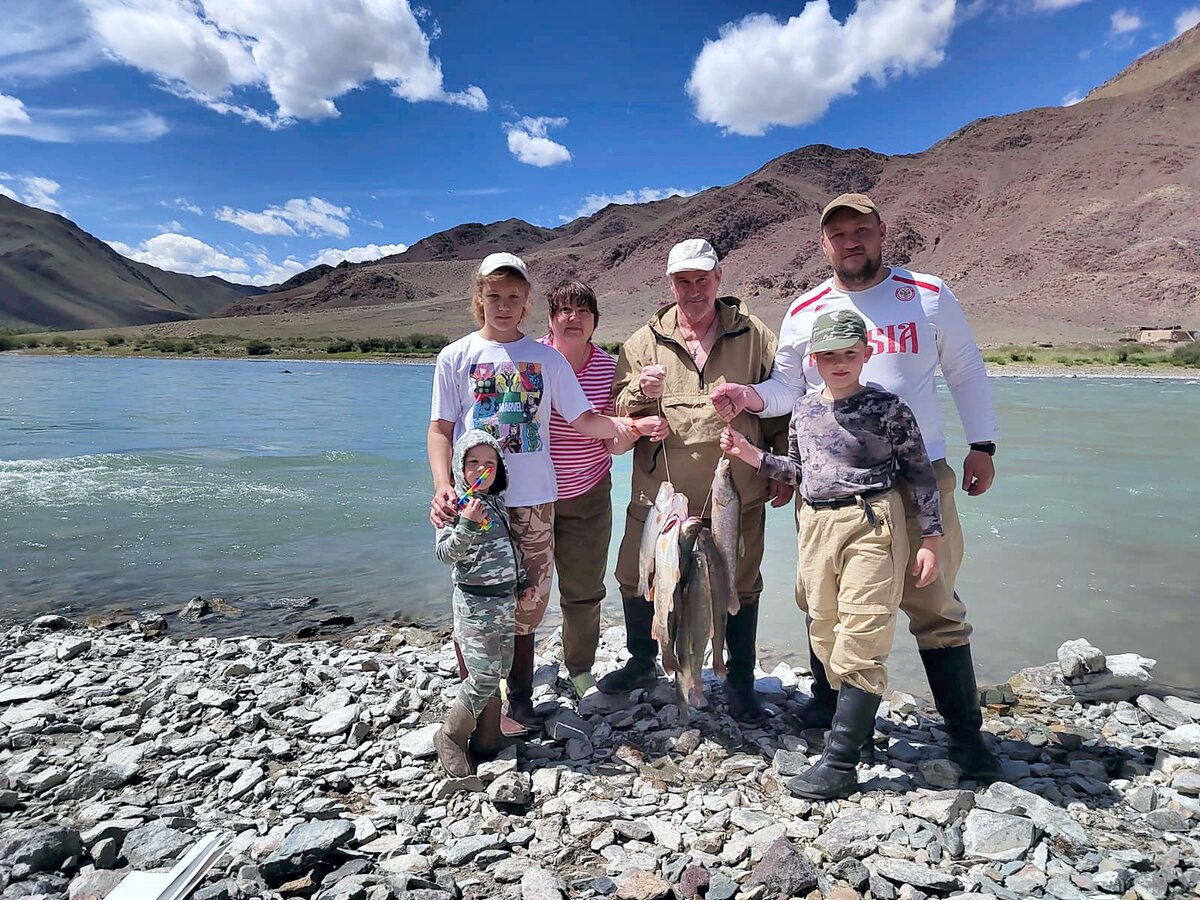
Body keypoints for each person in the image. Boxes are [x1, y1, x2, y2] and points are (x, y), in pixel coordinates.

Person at [711, 193, 1001, 779]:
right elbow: (789, 388)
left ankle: (966, 740)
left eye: (861, 230)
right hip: (832, 487)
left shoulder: (926, 294)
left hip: (918, 475)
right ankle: (837, 715)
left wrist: (983, 444)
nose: (851, 241)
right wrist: (751, 398)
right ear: (824, 244)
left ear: (881, 232)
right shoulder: (806, 308)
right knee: (827, 604)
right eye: (838, 234)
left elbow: (965, 368)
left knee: (935, 603)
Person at [428, 253, 661, 738]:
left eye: (514, 296)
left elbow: (584, 420)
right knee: (475, 599)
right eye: (494, 295)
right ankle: (479, 710)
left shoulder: (548, 359)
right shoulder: (455, 356)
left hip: (535, 499)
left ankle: (519, 701)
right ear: (480, 299)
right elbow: (441, 428)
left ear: (527, 301)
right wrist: (442, 485)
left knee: (526, 604)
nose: (504, 305)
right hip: (479, 503)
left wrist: (631, 426)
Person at [721, 310, 942, 799]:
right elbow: (798, 469)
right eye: (829, 355)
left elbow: (920, 475)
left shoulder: (888, 408)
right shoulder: (803, 408)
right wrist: (749, 454)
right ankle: (854, 728)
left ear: (867, 353)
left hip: (871, 523)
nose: (839, 363)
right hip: (815, 524)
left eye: (849, 353)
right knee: (824, 627)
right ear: (814, 359)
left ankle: (841, 761)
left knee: (861, 633)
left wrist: (930, 539)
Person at [598, 238, 790, 724]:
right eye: (683, 281)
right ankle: (645, 662)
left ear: (719, 279)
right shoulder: (643, 342)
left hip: (736, 494)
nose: (694, 289)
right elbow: (618, 413)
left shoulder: (756, 336)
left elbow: (781, 406)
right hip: (659, 497)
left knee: (740, 584)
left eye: (702, 279)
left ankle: (739, 679)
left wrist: (782, 466)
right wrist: (640, 394)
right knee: (635, 576)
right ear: (670, 285)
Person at [538, 280, 660, 700]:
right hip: (527, 497)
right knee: (518, 587)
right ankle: (509, 674)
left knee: (585, 589)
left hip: (587, 492)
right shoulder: (529, 359)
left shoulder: (609, 369)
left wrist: (635, 431)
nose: (573, 318)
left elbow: (615, 443)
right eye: (564, 310)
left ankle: (579, 668)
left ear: (594, 323)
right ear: (550, 319)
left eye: (583, 311)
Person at [432, 430, 530, 776]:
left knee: (499, 670)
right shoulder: (454, 506)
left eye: (490, 463)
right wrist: (467, 526)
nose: (482, 469)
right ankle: (451, 736)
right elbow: (445, 554)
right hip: (474, 605)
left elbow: (510, 548)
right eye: (473, 463)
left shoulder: (496, 502)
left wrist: (522, 582)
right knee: (483, 676)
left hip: (504, 602)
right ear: (460, 467)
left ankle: (488, 739)